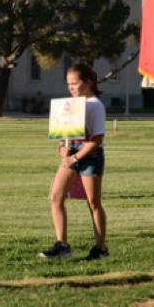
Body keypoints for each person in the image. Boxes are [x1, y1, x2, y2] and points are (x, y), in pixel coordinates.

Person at [41, 63, 109, 260]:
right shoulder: (70, 104)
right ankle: (62, 245)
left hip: (90, 158)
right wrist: (62, 148)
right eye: (68, 84)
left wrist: (76, 157)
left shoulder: (95, 105)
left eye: (74, 83)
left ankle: (100, 248)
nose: (71, 87)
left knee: (93, 202)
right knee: (55, 197)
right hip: (71, 156)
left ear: (87, 82)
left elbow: (97, 139)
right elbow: (64, 134)